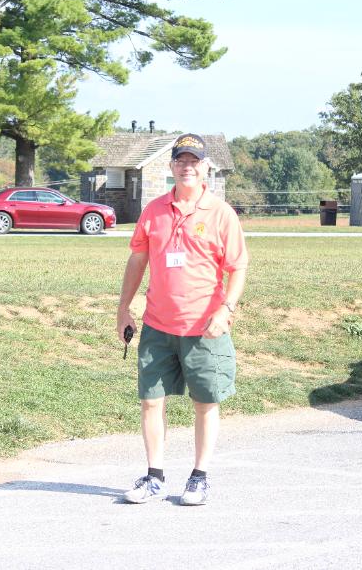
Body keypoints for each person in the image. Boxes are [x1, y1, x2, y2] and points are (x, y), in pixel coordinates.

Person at [117, 133, 248, 506]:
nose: (187, 167)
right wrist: (124, 308)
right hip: (158, 325)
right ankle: (154, 477)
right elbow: (137, 259)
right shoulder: (154, 211)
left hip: (204, 328)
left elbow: (238, 267)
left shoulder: (221, 213)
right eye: (181, 160)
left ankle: (199, 478)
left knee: (205, 402)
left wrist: (226, 309)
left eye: (194, 161)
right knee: (150, 401)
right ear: (172, 166)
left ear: (205, 167)